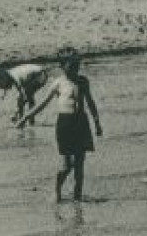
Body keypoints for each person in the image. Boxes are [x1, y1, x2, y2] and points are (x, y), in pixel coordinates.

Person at [16, 48, 104, 203]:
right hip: (65, 124)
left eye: (77, 64)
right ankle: (57, 190)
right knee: (67, 165)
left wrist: (97, 123)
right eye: (72, 65)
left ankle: (77, 199)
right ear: (62, 66)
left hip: (81, 123)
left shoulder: (83, 81)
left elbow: (90, 103)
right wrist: (25, 117)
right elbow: (43, 104)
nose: (76, 68)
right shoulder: (58, 83)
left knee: (79, 165)